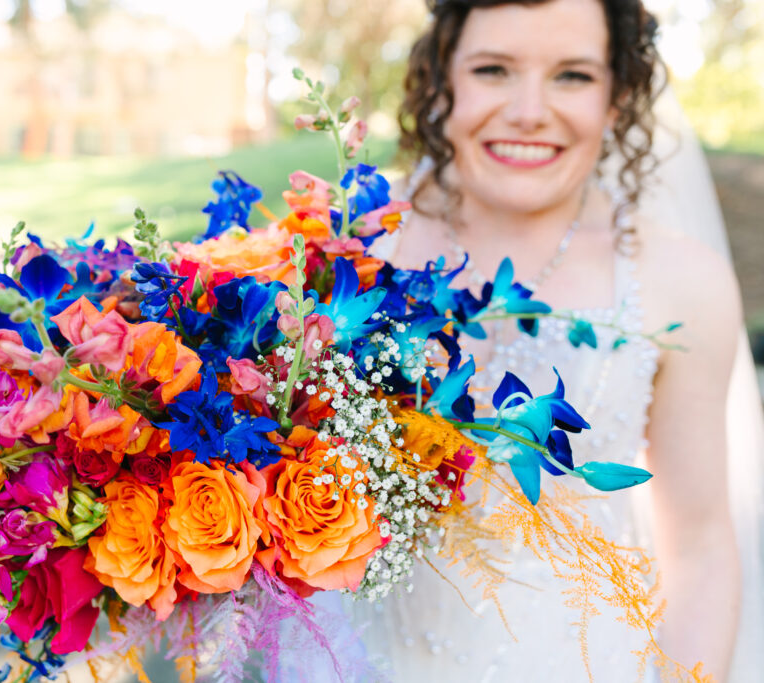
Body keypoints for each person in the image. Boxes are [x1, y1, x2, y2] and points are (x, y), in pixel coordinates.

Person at [311, 0, 759, 680]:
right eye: (493, 69)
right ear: (442, 82)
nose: (528, 110)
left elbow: (699, 548)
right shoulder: (349, 241)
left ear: (618, 97)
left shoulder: (681, 282)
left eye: (573, 76)